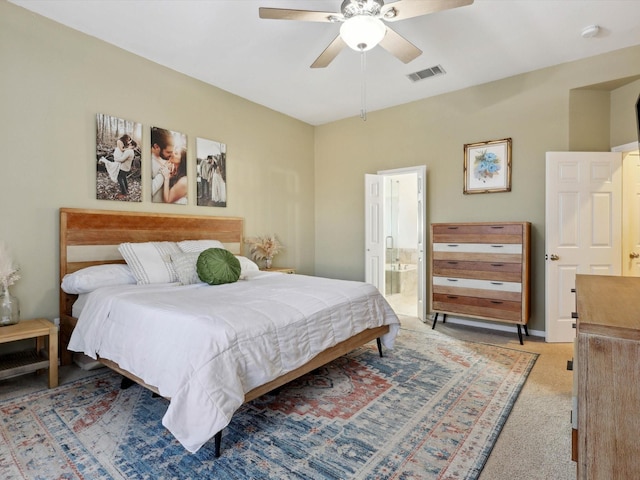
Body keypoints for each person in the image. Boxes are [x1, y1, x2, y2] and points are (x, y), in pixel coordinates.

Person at [99, 134, 137, 200]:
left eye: (130, 143)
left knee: (120, 178)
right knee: (124, 178)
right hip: (127, 168)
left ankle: (124, 193)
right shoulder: (132, 151)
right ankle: (126, 189)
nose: (128, 143)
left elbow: (122, 159)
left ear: (132, 145)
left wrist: (116, 159)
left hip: (123, 167)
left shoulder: (128, 151)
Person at [150, 127, 174, 203]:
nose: (171, 155)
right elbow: (147, 192)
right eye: (168, 152)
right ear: (156, 147)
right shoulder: (147, 162)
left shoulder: (165, 159)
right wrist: (162, 174)